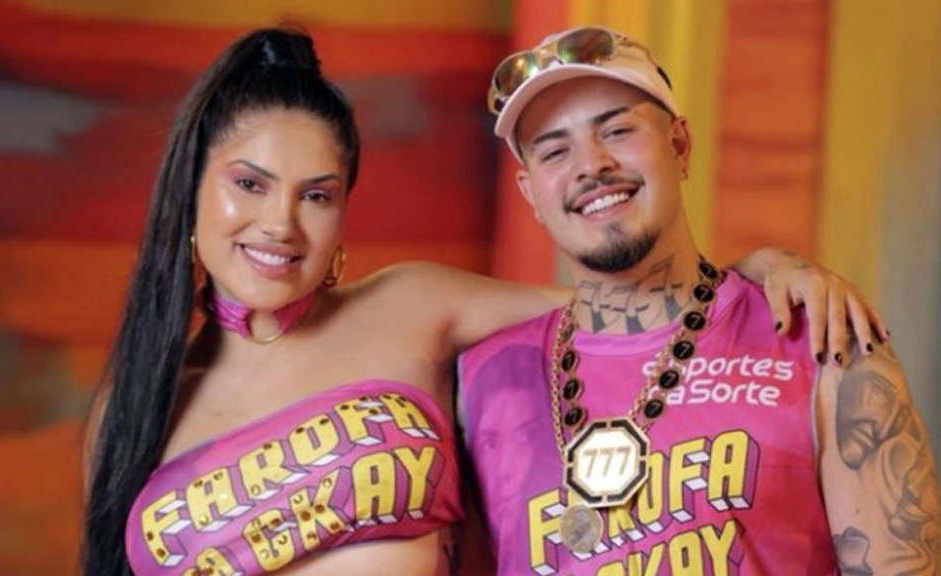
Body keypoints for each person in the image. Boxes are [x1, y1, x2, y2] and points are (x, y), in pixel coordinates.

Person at [82, 28, 889, 576]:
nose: (280, 224)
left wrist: (764, 269)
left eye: (317, 195)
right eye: (250, 184)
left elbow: (640, 305)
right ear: (191, 190)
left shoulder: (414, 307)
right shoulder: (138, 405)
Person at [458, 26, 940, 576]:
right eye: (555, 151)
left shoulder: (823, 339)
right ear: (530, 194)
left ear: (680, 146)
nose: (590, 166)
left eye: (617, 130)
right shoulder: (478, 382)